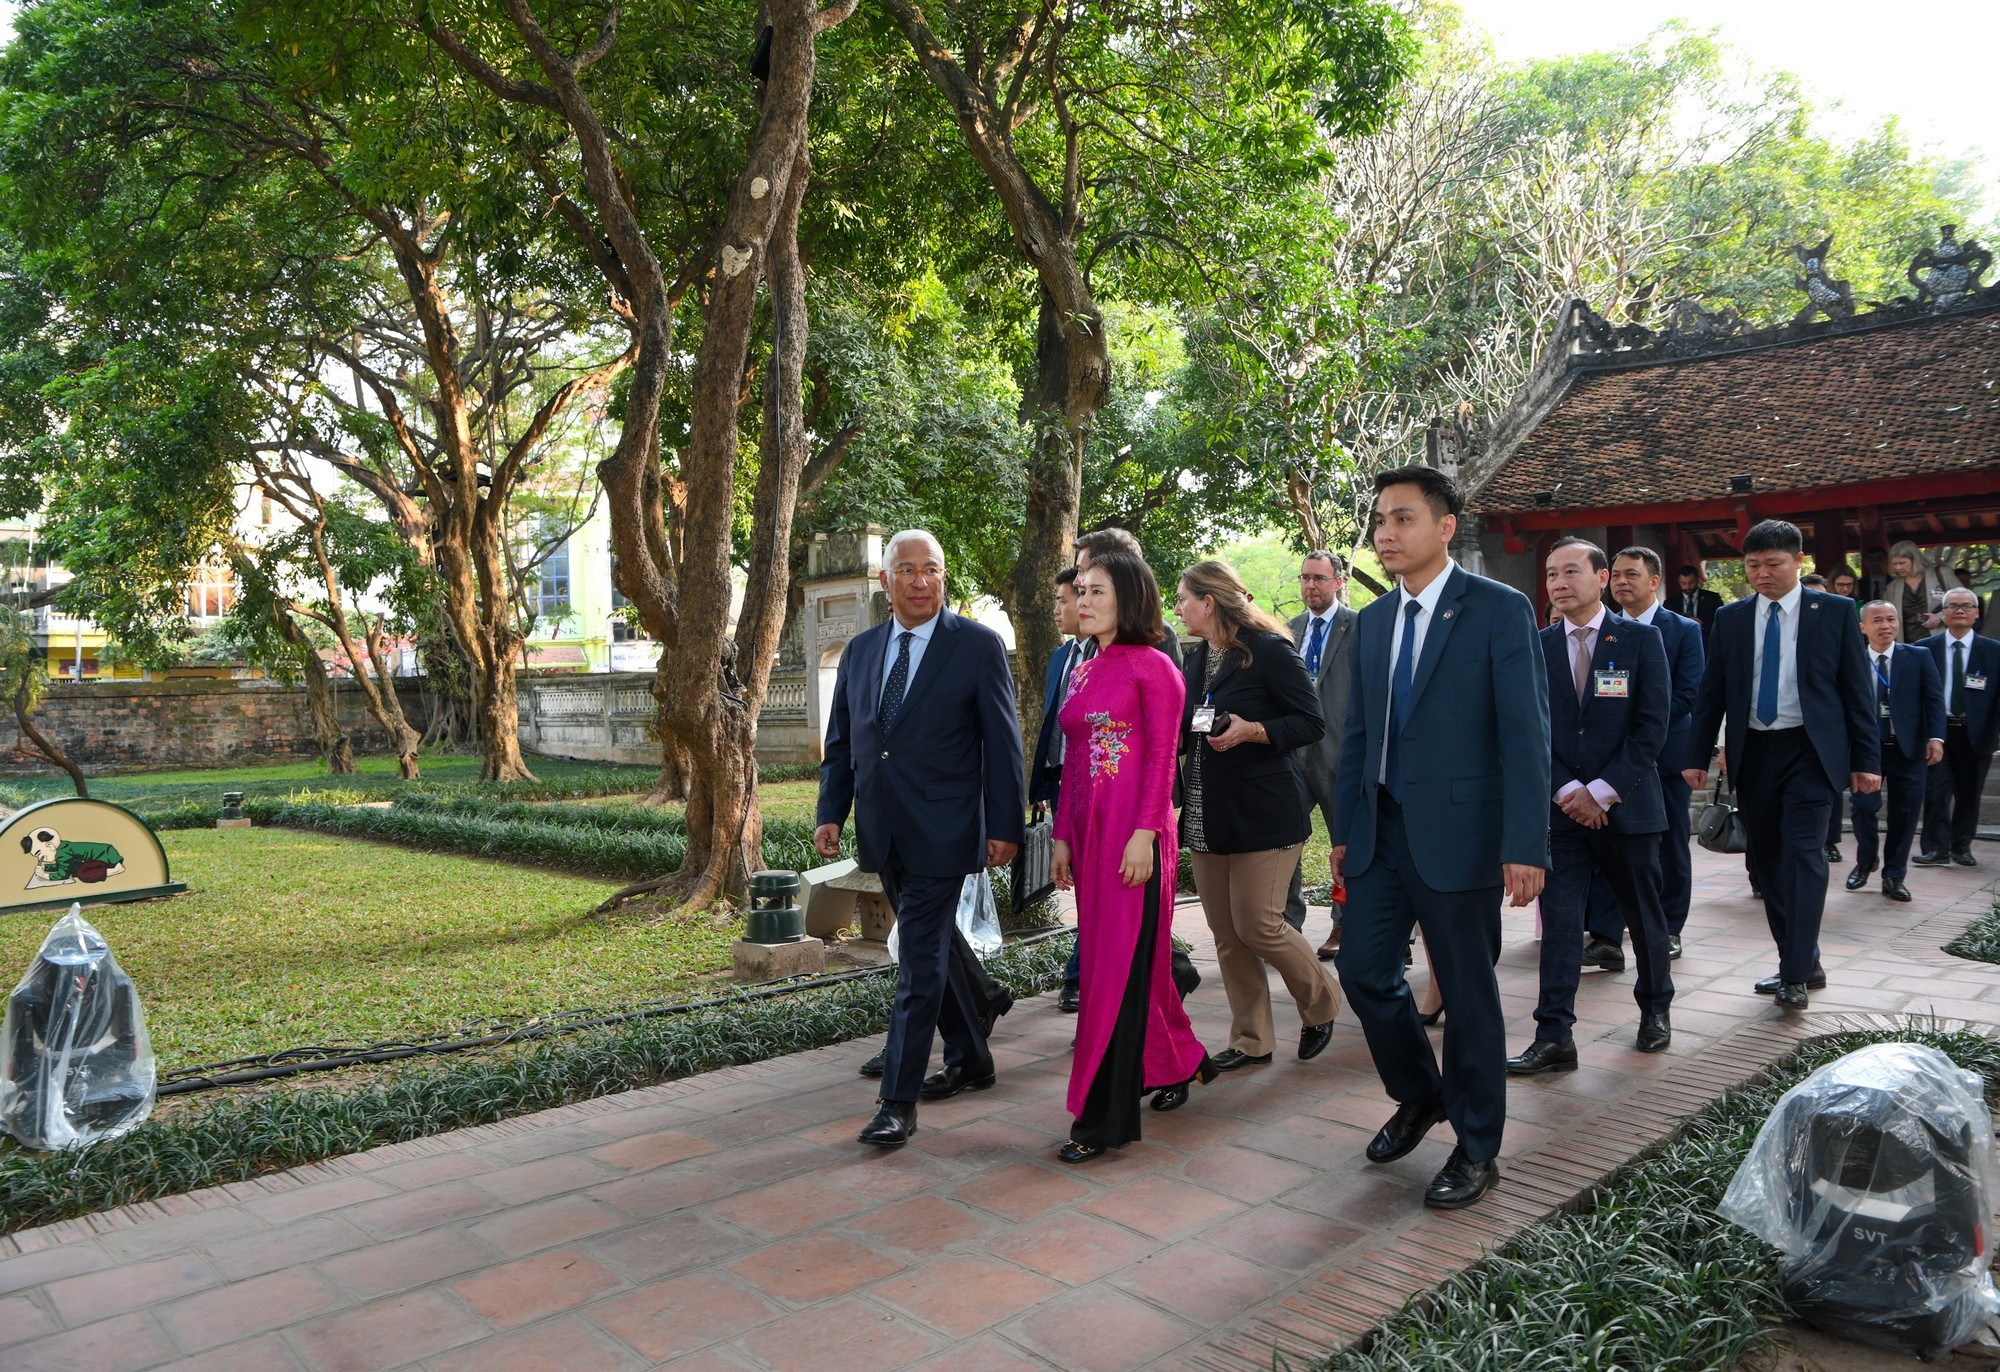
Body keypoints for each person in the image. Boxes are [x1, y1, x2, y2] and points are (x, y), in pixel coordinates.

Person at [1332, 464, 1550, 1212]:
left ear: (1445, 526)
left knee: (1467, 994)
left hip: (1463, 834)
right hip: (1380, 832)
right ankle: (1422, 1094)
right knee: (1363, 971)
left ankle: (1478, 1146)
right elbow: (1357, 733)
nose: (1385, 535)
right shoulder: (1374, 621)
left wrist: (1527, 841)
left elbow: (1526, 734)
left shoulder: (1497, 609)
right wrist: (1346, 826)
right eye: (1380, 522)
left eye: (1403, 520)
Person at [815, 530, 1026, 1146]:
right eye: (906, 570)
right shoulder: (860, 651)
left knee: (918, 960)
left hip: (947, 827)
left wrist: (1005, 825)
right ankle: (972, 1054)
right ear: (886, 582)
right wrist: (833, 810)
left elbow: (1002, 744)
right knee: (933, 946)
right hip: (884, 830)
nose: (920, 581)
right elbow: (844, 742)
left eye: (930, 569)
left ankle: (897, 1101)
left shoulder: (978, 647)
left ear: (943, 577)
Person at [1050, 549, 1217, 1162]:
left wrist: (1146, 832)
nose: (1084, 600)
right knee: (1112, 965)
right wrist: (1062, 837)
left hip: (1134, 842)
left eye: (1097, 590)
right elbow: (1073, 763)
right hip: (1091, 837)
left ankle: (1102, 1120)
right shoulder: (1084, 668)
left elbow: (1161, 760)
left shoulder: (1154, 668)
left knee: (1114, 974)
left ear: (1129, 597)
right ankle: (1180, 1061)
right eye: (1081, 590)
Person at [1684, 520, 1879, 1011]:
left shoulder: (1834, 612)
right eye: (1753, 566)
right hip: (1755, 752)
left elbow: (1858, 692)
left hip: (1811, 752)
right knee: (1767, 861)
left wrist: (1866, 760)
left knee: (1804, 856)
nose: (1762, 574)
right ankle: (1801, 958)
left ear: (1798, 562)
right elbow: (1713, 693)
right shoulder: (1731, 619)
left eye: (1773, 564)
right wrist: (1695, 756)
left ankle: (1794, 974)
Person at [1508, 538, 1673, 1075]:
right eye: (1551, 573)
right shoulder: (1537, 646)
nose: (1558, 582)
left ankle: (1655, 1010)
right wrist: (1566, 792)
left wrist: (1601, 790)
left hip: (1627, 806)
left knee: (1642, 914)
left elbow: (1652, 728)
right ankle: (1554, 1034)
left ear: (1602, 578)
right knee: (1559, 923)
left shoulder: (1641, 641)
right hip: (1563, 811)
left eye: (1571, 571)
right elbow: (1531, 731)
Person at [1177, 560, 1341, 1073]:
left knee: (1260, 925)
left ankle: (1322, 1004)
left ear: (1210, 602)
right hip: (1208, 811)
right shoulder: (1198, 655)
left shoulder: (1269, 650)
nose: (1177, 607)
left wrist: (1253, 730)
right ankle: (1252, 1039)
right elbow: (1190, 724)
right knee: (1227, 935)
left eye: (1183, 598)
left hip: (1265, 812)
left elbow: (1310, 722)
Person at [1582, 547, 1704, 963]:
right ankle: (1606, 936)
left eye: (1631, 574)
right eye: (1615, 574)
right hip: (1603, 763)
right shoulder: (1601, 629)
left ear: (1655, 581)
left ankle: (1669, 928)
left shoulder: (1683, 630)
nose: (1621, 582)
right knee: (1603, 847)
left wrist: (1640, 736)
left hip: (1662, 759)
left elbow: (1687, 695)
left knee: (1668, 848)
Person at [1286, 551, 1358, 958]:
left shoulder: (1359, 627)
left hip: (1341, 754)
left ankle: (1343, 926)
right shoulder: (1287, 630)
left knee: (1345, 845)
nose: (1310, 586)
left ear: (1338, 582)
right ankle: (1287, 927)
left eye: (1319, 578)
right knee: (1285, 841)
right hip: (1294, 753)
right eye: (1304, 578)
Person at [1848, 601, 1945, 901]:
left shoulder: (1917, 656)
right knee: (1863, 809)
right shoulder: (1852, 661)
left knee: (1904, 814)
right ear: (1863, 627)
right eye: (1877, 620)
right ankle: (1866, 861)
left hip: (1908, 748)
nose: (1886, 625)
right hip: (1867, 750)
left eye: (1891, 619)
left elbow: (1934, 699)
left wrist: (1936, 737)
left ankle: (1894, 875)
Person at [1030, 566, 1087, 1011]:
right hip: (1063, 784)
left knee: (1097, 890)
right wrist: (1044, 783)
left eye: (1062, 600)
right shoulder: (1059, 658)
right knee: (1081, 886)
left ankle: (1079, 973)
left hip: (1100, 786)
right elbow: (1051, 725)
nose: (1057, 609)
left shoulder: (1114, 654)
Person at [1915, 588, 2000, 868]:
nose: (1959, 611)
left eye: (1966, 606)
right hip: (1938, 732)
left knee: (1969, 792)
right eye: (1952, 606)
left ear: (1977, 613)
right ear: (1943, 613)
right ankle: (1934, 848)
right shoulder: (1924, 649)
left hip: (1977, 733)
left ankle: (1961, 846)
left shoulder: (1994, 651)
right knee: (1936, 790)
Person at [1888, 541, 1963, 643]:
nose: (1898, 568)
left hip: (1940, 641)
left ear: (1915, 560)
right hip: (1908, 646)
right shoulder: (1892, 587)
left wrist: (1940, 617)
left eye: (1902, 563)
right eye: (1894, 564)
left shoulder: (1941, 574)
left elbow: (1964, 601)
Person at [1673, 565, 1723, 637]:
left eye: (1691, 582)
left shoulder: (1713, 598)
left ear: (1697, 580)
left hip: (1705, 642)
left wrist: (1702, 624)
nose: (1688, 587)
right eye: (1683, 583)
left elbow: (1721, 623)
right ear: (1678, 582)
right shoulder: (1670, 603)